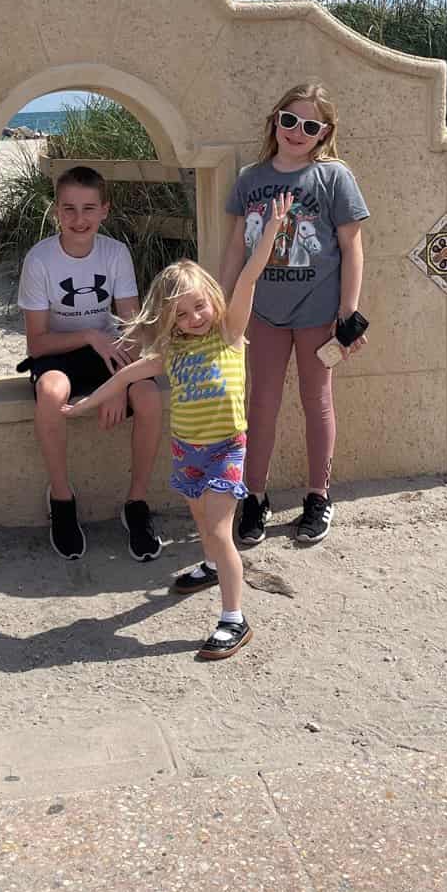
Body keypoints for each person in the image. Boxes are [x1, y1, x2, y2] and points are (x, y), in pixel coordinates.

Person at [62, 195, 291, 661]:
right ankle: (210, 565)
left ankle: (234, 619)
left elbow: (249, 276)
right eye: (181, 315)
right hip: (187, 450)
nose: (193, 319)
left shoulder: (229, 332)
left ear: (212, 299)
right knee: (204, 524)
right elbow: (126, 376)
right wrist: (87, 402)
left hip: (227, 447)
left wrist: (271, 229)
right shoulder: (173, 352)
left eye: (198, 307)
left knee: (221, 529)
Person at [220, 83, 370, 547]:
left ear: (324, 133)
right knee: (260, 404)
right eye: (289, 120)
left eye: (309, 125)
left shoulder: (334, 178)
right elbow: (234, 247)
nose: (297, 132)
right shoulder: (250, 178)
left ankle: (317, 496)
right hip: (262, 313)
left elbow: (351, 246)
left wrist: (348, 310)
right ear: (275, 120)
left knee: (316, 401)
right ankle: (255, 497)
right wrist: (222, 304)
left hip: (317, 315)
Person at [18, 164, 164, 562]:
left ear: (104, 210)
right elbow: (37, 342)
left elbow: (131, 327)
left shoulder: (115, 253)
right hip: (60, 351)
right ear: (56, 212)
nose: (78, 219)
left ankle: (136, 503)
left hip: (112, 352)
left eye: (88, 209)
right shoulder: (40, 260)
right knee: (51, 393)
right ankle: (62, 500)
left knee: (149, 397)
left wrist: (118, 382)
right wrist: (87, 335)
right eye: (69, 209)